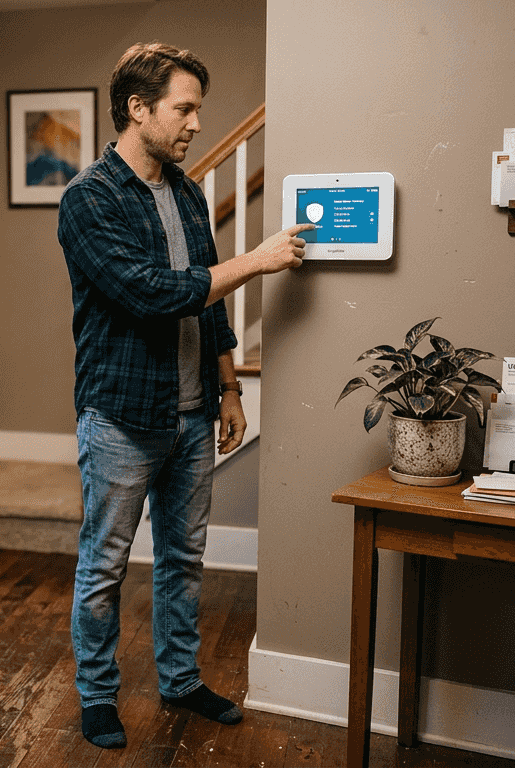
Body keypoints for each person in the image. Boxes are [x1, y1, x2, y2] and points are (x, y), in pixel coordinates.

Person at [57, 41, 312, 750]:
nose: (197, 123)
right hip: (121, 416)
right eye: (184, 108)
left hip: (194, 413)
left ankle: (180, 679)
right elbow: (148, 294)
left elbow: (207, 301)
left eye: (198, 110)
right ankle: (97, 695)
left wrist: (230, 388)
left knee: (182, 559)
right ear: (138, 108)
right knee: (104, 565)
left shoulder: (189, 191)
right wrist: (256, 260)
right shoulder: (88, 198)